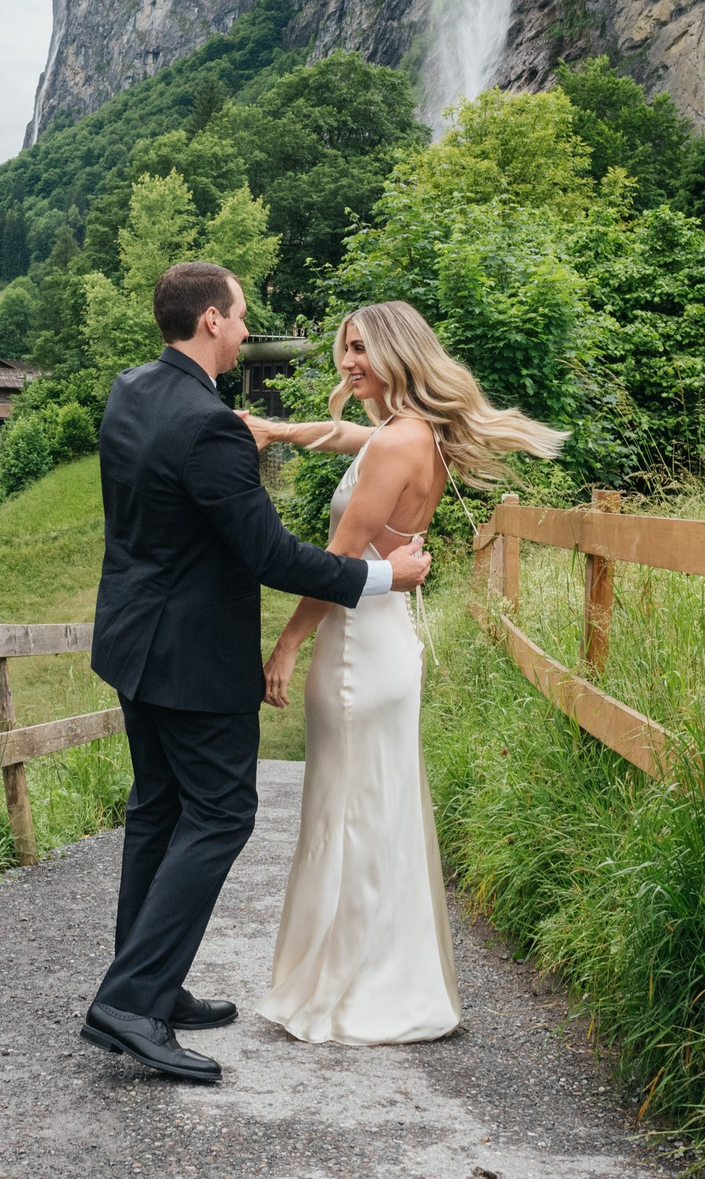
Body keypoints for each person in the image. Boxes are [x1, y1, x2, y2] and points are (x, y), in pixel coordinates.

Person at [82, 262, 434, 1085]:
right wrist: (385, 576)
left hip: (131, 641)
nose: (246, 330)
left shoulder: (132, 390)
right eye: (241, 316)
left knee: (159, 810)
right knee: (220, 813)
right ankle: (130, 1001)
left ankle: (151, 985)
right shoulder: (208, 424)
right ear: (211, 319)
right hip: (193, 655)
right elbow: (272, 555)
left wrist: (272, 432)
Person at [242, 301, 564, 1045]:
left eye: (361, 349)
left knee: (353, 813)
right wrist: (280, 432)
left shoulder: (397, 442)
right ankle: (382, 975)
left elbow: (338, 563)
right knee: (370, 807)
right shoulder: (416, 434)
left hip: (357, 647)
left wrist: (287, 646)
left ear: (395, 352)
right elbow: (348, 438)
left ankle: (354, 988)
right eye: (344, 348)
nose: (347, 362)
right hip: (386, 638)